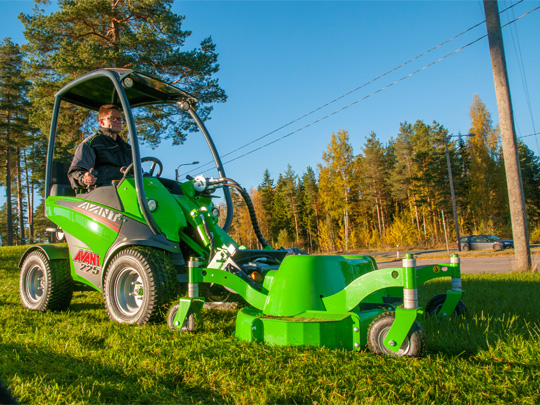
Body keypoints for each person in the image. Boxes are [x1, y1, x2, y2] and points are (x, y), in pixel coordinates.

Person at [68, 104, 132, 191]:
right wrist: (84, 178)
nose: (117, 121)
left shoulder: (127, 148)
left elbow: (137, 171)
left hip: (126, 191)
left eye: (119, 119)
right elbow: (75, 172)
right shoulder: (91, 144)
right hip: (102, 193)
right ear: (102, 122)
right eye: (113, 118)